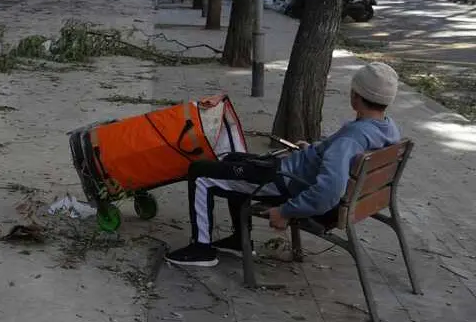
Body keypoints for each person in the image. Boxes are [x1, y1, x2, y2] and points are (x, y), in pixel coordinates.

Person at [164, 63, 402, 268]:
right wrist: (311, 151)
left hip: (284, 183)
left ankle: (201, 248)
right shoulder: (387, 128)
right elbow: (338, 158)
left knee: (200, 173)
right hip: (293, 172)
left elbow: (329, 191)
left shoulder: (353, 137)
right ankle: (239, 241)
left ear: (355, 96)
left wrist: (285, 211)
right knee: (232, 159)